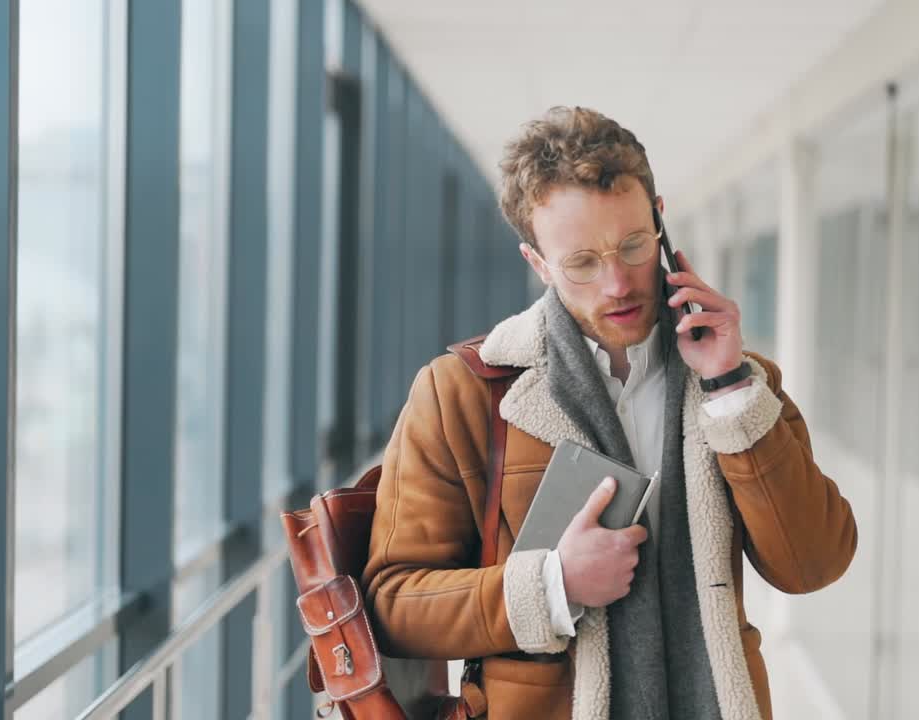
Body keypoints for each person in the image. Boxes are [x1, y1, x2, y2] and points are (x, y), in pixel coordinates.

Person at [362, 106, 857, 720]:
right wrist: (554, 585)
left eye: (632, 245)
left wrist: (729, 388)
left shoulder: (737, 383)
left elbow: (814, 563)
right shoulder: (463, 393)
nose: (617, 283)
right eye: (582, 263)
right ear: (538, 264)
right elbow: (392, 605)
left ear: (660, 224)